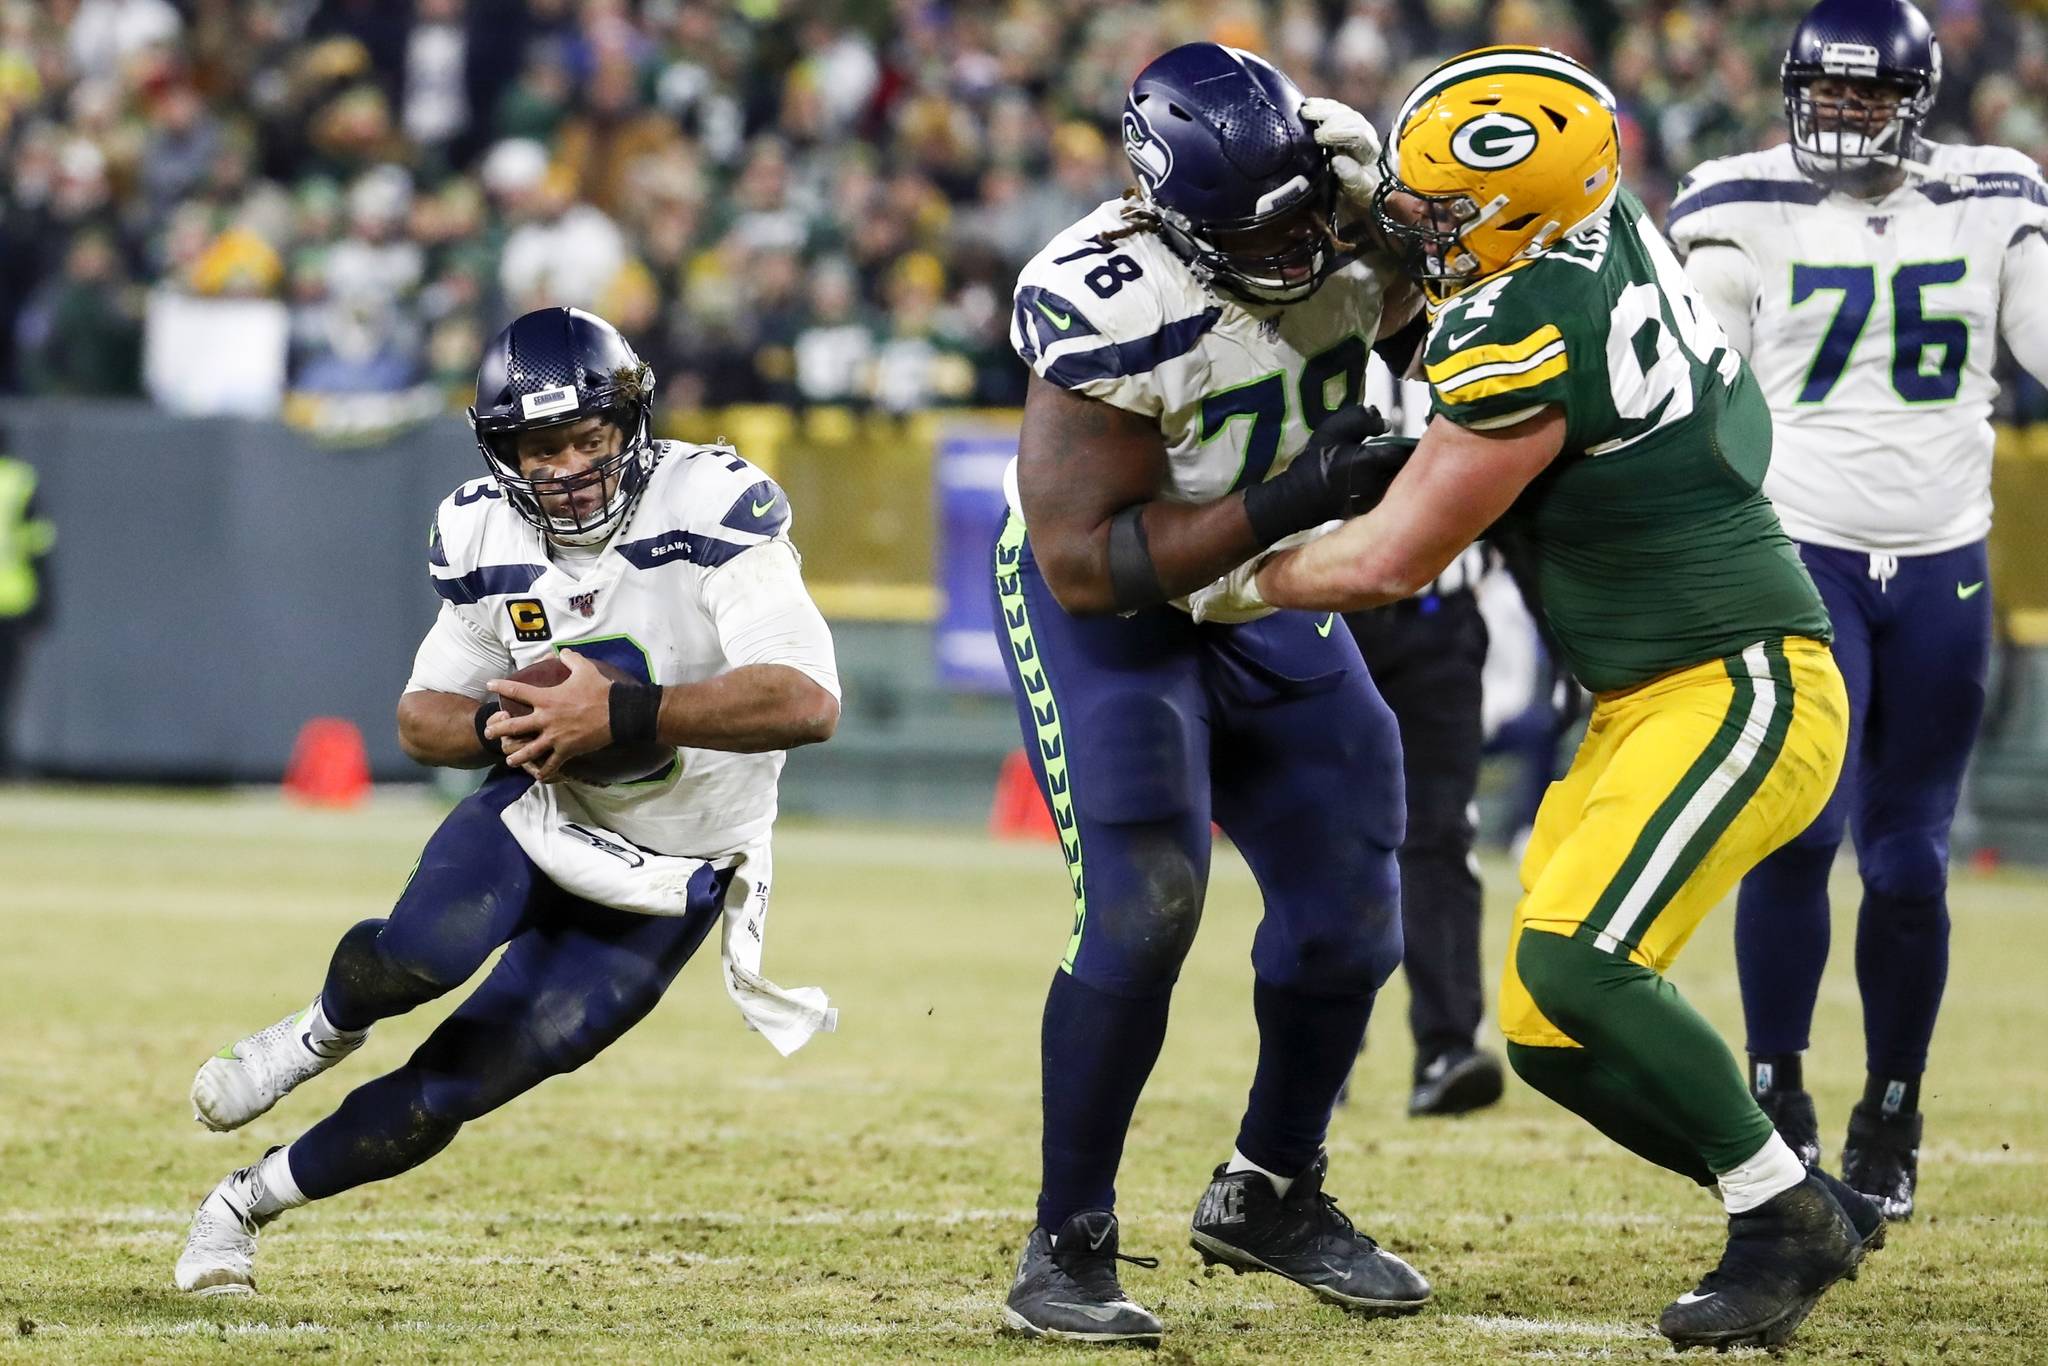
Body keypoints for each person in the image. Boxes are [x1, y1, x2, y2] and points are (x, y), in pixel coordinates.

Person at [1246, 45, 1885, 1351]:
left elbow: (1389, 558)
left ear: (1525, 217)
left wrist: (1223, 571)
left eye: (1441, 213)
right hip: (1653, 694)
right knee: (1546, 1024)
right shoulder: (1602, 229)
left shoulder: (1526, 326)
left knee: (1576, 964)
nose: (1413, 230)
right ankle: (1786, 1187)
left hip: (1741, 681)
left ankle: (1782, 1216)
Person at [175, 307, 842, 1294]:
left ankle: (241, 1204)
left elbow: (805, 700)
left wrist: (621, 714)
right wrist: (507, 728)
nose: (570, 465)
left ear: (628, 426)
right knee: (419, 950)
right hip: (546, 812)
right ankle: (321, 1027)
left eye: (587, 437)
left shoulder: (711, 505)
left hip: (677, 868)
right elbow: (419, 717)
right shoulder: (483, 533)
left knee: (459, 1084)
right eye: (542, 446)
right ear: (503, 453)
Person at [993, 41, 1433, 1346]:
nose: (1300, 250)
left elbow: (1436, 330)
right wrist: (1298, 497)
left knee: (1356, 910)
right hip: (1125, 615)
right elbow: (1085, 564)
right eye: (1263, 230)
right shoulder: (1105, 296)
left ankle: (1272, 1190)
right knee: (1145, 906)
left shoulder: (1344, 206)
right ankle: (1066, 1241)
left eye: (1307, 214)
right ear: (1165, 212)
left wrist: (1407, 225)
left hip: (1265, 600)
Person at [1669, 0, 2048, 1222]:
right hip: (1798, 555)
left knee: (1908, 864)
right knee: (1796, 832)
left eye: (1864, 97)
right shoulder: (1734, 201)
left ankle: (1891, 1111)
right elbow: (1694, 388)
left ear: (1915, 98)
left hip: (1941, 560)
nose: (1840, 118)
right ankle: (1776, 1101)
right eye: (1822, 95)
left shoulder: (1993, 189)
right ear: (1790, 92)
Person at [0, 428, 56, 776]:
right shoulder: (19, 481)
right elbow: (38, 546)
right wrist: (47, 598)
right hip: (13, 599)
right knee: (6, 687)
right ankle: (4, 759)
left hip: (11, 601)